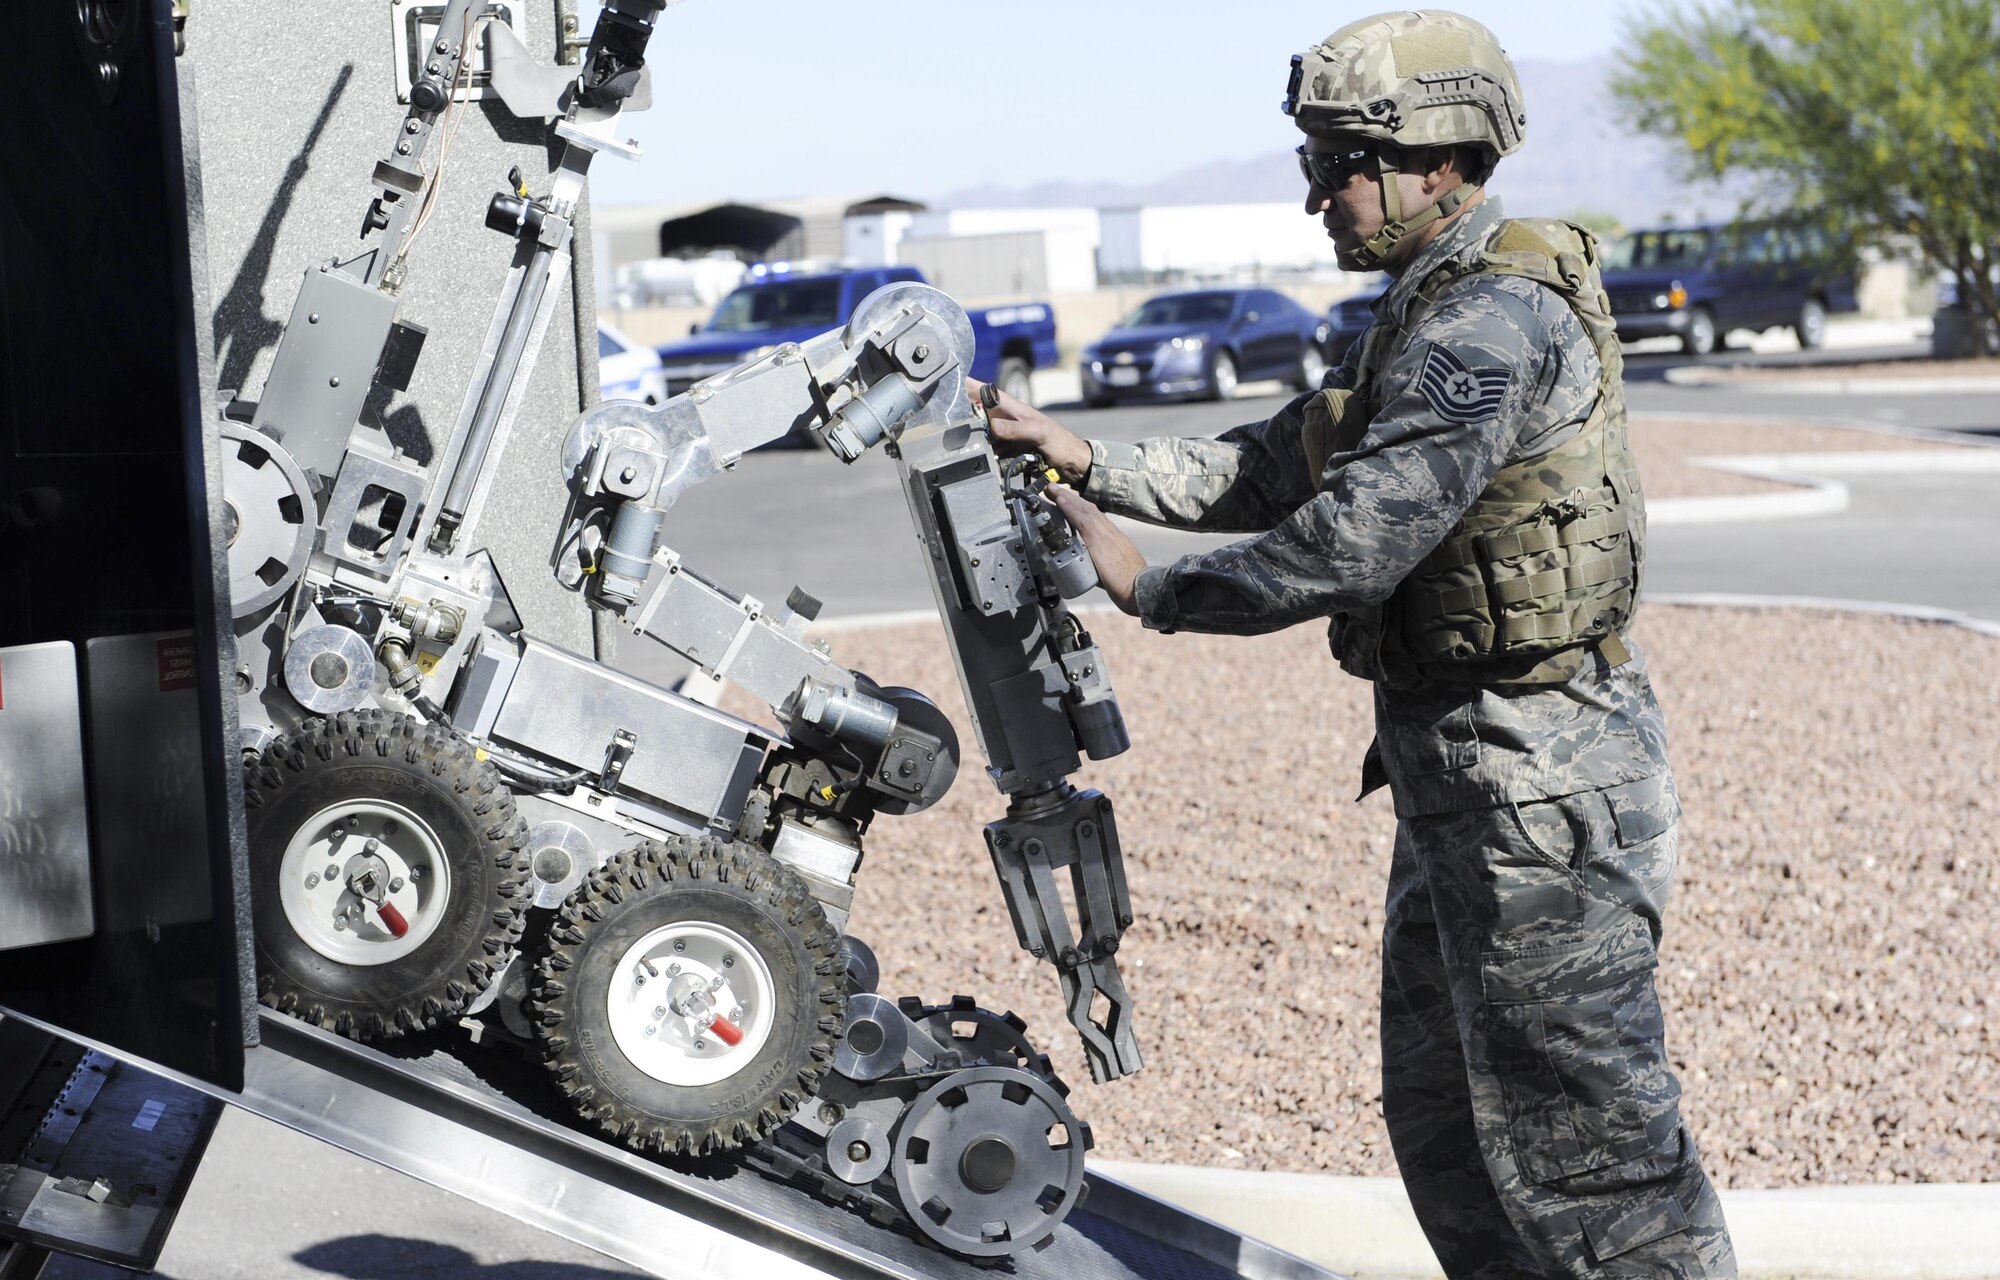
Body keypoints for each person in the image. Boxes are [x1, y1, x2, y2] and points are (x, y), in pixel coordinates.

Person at [972, 11, 1737, 1279]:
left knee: (1592, 1158)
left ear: (1438, 160)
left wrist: (1151, 589)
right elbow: (1275, 462)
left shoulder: (1489, 325)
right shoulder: (1423, 310)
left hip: (1537, 786)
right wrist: (1081, 452)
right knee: (1450, 1128)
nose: (1317, 196)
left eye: (1341, 162)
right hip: (1466, 777)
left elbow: (1346, 543)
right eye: (1312, 163)